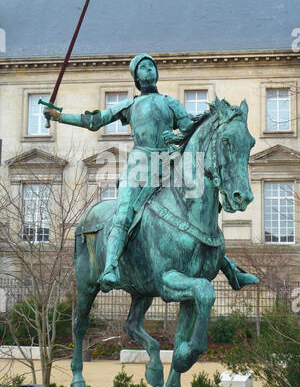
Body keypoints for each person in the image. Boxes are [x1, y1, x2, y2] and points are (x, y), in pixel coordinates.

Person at [44, 53, 258, 292]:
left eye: (151, 66)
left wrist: (176, 137)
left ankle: (230, 270)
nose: (148, 70)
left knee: (200, 212)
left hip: (168, 165)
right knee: (124, 214)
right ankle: (111, 267)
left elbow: (188, 131)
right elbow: (95, 120)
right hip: (138, 166)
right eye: (142, 68)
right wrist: (60, 117)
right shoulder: (130, 104)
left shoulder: (171, 103)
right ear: (136, 77)